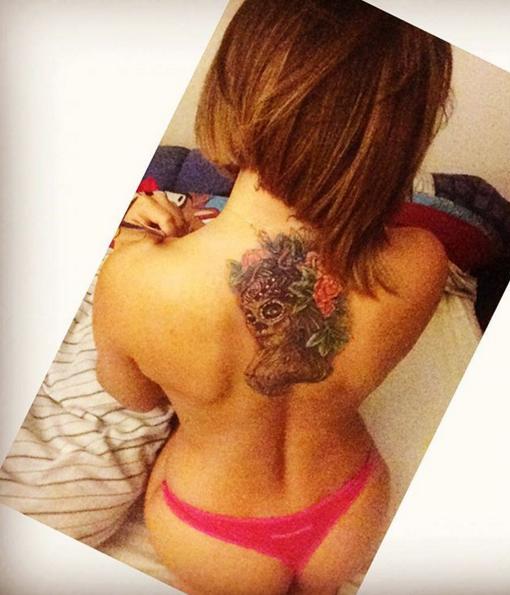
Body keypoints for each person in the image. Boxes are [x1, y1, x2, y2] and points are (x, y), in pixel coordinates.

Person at [93, 1, 452, 593]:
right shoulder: (423, 259)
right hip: (351, 513)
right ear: (407, 131)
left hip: (210, 536)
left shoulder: (133, 277)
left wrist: (135, 245)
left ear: (232, 94)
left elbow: (135, 397)